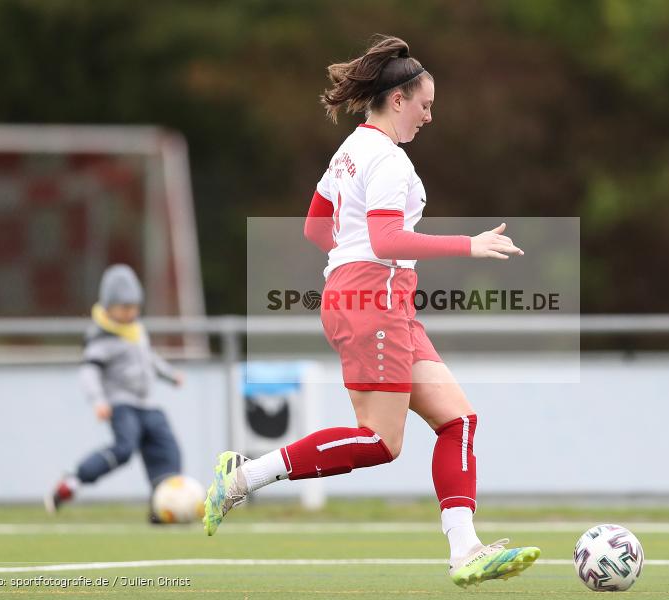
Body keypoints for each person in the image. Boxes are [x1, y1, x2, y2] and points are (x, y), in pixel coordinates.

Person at [203, 35, 540, 587]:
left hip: (375, 294)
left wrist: (347, 262)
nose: (429, 117)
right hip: (374, 295)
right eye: (426, 105)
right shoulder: (388, 160)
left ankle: (466, 551)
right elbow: (386, 241)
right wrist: (468, 245)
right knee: (381, 442)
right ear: (399, 99)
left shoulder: (350, 150)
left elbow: (317, 228)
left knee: (458, 421)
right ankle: (243, 475)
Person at [46, 264, 184, 522]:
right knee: (124, 448)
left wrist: (170, 375)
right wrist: (98, 400)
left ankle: (162, 503)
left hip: (147, 403)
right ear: (108, 306)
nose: (130, 313)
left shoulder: (137, 331)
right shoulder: (102, 338)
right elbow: (89, 372)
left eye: (134, 307)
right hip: (122, 404)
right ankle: (74, 480)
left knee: (166, 447)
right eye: (124, 307)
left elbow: (149, 359)